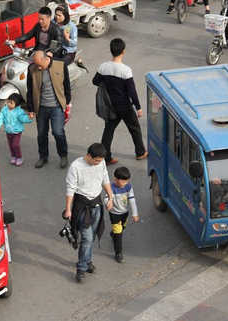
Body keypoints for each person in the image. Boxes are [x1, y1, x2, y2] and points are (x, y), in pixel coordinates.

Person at [64, 143, 114, 283]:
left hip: (97, 205)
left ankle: (87, 261)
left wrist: (110, 196)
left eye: (100, 160)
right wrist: (68, 209)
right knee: (87, 238)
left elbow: (105, 178)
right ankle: (81, 268)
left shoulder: (101, 162)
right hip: (82, 206)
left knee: (91, 237)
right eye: (96, 160)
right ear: (88, 156)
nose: (98, 163)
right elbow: (70, 189)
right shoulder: (75, 167)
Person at [93, 38, 148, 165]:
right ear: (123, 51)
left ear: (111, 51)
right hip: (125, 106)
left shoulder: (103, 67)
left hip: (110, 106)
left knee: (108, 131)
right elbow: (132, 92)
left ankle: (106, 158)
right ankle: (140, 152)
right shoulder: (125, 70)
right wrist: (138, 108)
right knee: (134, 128)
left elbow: (95, 81)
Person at [26, 50, 71, 169]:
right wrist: (30, 108)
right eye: (36, 64)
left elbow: (67, 85)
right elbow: (30, 90)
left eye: (39, 65)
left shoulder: (60, 65)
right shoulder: (32, 69)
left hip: (57, 107)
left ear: (46, 59)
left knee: (58, 132)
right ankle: (43, 157)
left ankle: (63, 155)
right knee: (41, 134)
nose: (38, 67)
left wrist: (67, 102)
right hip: (41, 108)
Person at [106, 166, 139, 263]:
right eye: (123, 182)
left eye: (126, 181)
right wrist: (108, 203)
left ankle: (113, 234)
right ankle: (118, 253)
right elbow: (106, 198)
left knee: (122, 227)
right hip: (114, 214)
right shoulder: (110, 188)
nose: (125, 184)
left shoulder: (128, 187)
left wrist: (135, 213)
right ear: (115, 179)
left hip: (125, 213)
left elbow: (132, 200)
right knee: (119, 233)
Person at [0, 93, 33, 166]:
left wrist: (29, 118)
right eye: (8, 102)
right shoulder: (4, 110)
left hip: (17, 132)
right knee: (11, 145)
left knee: (15, 144)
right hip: (8, 131)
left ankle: (19, 157)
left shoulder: (19, 111)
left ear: (16, 104)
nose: (8, 104)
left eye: (11, 103)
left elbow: (23, 119)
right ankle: (13, 156)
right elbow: (0, 118)